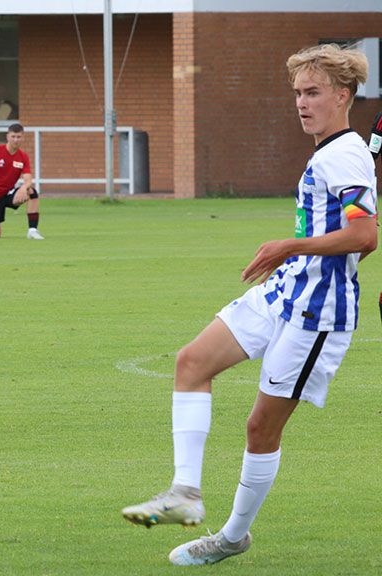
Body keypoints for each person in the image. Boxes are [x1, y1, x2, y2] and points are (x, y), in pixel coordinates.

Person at [121, 43, 377, 566]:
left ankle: (233, 536)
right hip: (285, 290)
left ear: (343, 95)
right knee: (191, 362)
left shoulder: (347, 154)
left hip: (318, 312)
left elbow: (365, 234)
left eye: (313, 93)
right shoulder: (331, 150)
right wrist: (291, 256)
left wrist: (289, 245)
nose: (301, 103)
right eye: (297, 93)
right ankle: (183, 496)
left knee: (261, 427)